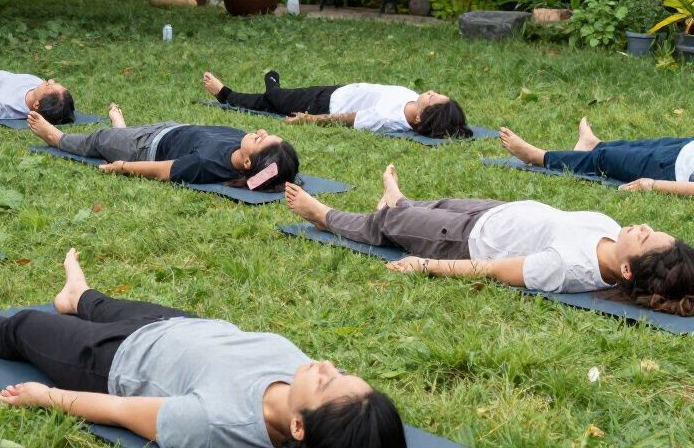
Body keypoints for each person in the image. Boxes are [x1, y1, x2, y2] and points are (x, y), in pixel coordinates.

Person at [0, 248, 407, 448]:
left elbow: (121, 410)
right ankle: (78, 296)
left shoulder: (215, 425)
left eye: (328, 382)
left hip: (109, 360)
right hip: (174, 326)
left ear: (298, 426)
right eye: (339, 372)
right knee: (99, 303)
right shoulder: (302, 382)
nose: (324, 364)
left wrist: (46, 396)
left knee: (24, 328)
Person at [285, 164, 694, 314]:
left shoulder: (567, 268)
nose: (643, 228)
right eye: (652, 229)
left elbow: (496, 269)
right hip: (497, 212)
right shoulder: (609, 226)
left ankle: (324, 216)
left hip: (466, 241)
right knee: (431, 204)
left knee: (388, 227)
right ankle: (401, 202)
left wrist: (425, 265)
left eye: (645, 239)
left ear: (626, 268)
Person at [28, 102, 300, 190]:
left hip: (143, 147)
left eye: (262, 140)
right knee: (118, 137)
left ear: (249, 163)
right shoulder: (247, 152)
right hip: (171, 129)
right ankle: (120, 130)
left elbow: (162, 171)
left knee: (100, 140)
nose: (261, 131)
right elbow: (276, 173)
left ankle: (57, 138)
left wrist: (123, 167)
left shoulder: (205, 166)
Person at [203, 70, 470, 140]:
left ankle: (226, 93)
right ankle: (273, 87)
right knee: (275, 101)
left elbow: (348, 119)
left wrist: (309, 119)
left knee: (272, 100)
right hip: (339, 91)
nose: (432, 92)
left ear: (421, 119)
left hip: (323, 103)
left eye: (434, 98)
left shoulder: (389, 120)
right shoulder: (413, 104)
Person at [501, 118, 694, 196]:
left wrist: (652, 185)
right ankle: (592, 145)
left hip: (673, 170)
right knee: (634, 147)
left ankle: (539, 157)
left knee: (605, 159)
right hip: (686, 149)